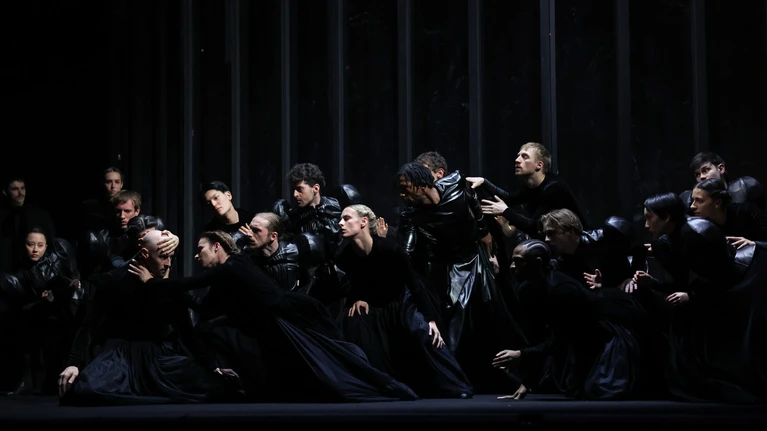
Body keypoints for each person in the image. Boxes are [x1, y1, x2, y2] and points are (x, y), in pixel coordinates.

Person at [129, 230, 418, 403]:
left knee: (328, 362)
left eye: (200, 249)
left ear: (217, 247)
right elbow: (204, 307)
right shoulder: (235, 266)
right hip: (276, 321)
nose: (197, 256)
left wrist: (151, 282)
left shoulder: (231, 267)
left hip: (286, 317)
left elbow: (189, 284)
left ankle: (384, 388)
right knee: (317, 363)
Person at [58, 230, 228, 406]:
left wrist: (212, 367)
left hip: (161, 358)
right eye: (163, 257)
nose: (168, 264)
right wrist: (73, 364)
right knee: (86, 389)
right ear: (145, 254)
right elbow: (88, 326)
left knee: (217, 385)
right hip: (122, 357)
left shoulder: (168, 286)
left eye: (171, 257)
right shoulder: (115, 281)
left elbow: (187, 333)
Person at [335, 204, 473, 398]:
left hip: (404, 298)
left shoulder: (390, 249)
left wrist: (430, 319)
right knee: (353, 323)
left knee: (421, 330)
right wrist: (358, 297)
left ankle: (457, 386)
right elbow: (359, 280)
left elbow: (414, 284)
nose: (340, 223)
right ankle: (384, 386)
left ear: (363, 222)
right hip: (377, 303)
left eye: (346, 218)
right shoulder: (344, 256)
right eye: (341, 219)